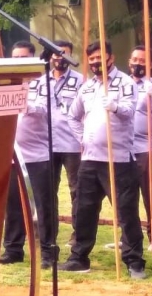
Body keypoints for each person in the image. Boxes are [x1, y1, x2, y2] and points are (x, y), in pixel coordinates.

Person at [61, 40, 146, 279]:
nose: (97, 62)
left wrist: (115, 106)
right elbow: (72, 116)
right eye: (92, 59)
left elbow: (130, 111)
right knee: (84, 210)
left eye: (101, 58)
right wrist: (83, 139)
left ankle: (134, 260)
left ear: (111, 57)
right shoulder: (86, 87)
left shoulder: (125, 83)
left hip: (118, 159)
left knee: (126, 211)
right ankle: (79, 257)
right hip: (90, 159)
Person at [0, 41, 57, 269]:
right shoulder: (6, 82)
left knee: (42, 206)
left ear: (33, 59)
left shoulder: (45, 82)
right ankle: (13, 248)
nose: (19, 61)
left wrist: (24, 104)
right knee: (13, 204)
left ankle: (47, 252)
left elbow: (45, 109)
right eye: (15, 57)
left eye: (24, 57)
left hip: (38, 155)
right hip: (12, 153)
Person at [127, 45, 152, 253]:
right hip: (123, 146)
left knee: (149, 191)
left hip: (147, 146)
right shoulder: (121, 84)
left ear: (150, 64)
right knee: (126, 193)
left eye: (143, 61)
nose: (138, 64)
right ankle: (129, 236)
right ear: (129, 61)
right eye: (135, 59)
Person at [48, 40, 83, 248]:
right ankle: (48, 234)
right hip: (47, 144)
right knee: (48, 191)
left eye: (64, 54)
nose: (59, 58)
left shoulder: (81, 81)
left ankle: (78, 233)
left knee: (77, 190)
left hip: (72, 143)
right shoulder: (41, 79)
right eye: (56, 54)